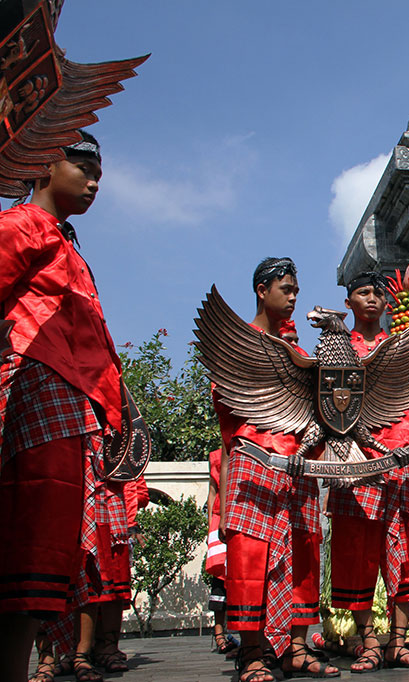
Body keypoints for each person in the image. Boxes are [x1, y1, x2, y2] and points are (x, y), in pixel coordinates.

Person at [0, 132, 125, 680]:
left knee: (50, 550)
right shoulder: (22, 225)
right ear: (43, 162)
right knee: (31, 544)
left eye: (99, 169)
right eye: (82, 164)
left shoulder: (65, 244)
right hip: (34, 390)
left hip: (70, 405)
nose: (94, 179)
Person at [214, 257, 339, 681]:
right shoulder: (239, 343)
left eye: (296, 290)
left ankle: (297, 647)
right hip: (255, 458)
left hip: (299, 464)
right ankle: (252, 652)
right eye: (285, 288)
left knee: (304, 552)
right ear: (261, 290)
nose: (293, 296)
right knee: (251, 553)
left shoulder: (302, 354)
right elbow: (226, 406)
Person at [327, 271, 409, 673]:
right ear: (349, 303)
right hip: (357, 465)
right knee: (358, 550)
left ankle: (399, 640)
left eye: (379, 293)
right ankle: (369, 641)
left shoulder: (401, 350)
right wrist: (343, 451)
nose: (373, 299)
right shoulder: (338, 350)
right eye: (363, 293)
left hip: (404, 462)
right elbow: (328, 408)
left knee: (408, 551)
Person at [205, 447, 238, 658]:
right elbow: (212, 491)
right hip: (220, 518)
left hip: (242, 515)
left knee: (243, 576)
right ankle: (219, 633)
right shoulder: (216, 456)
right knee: (220, 577)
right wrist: (211, 525)